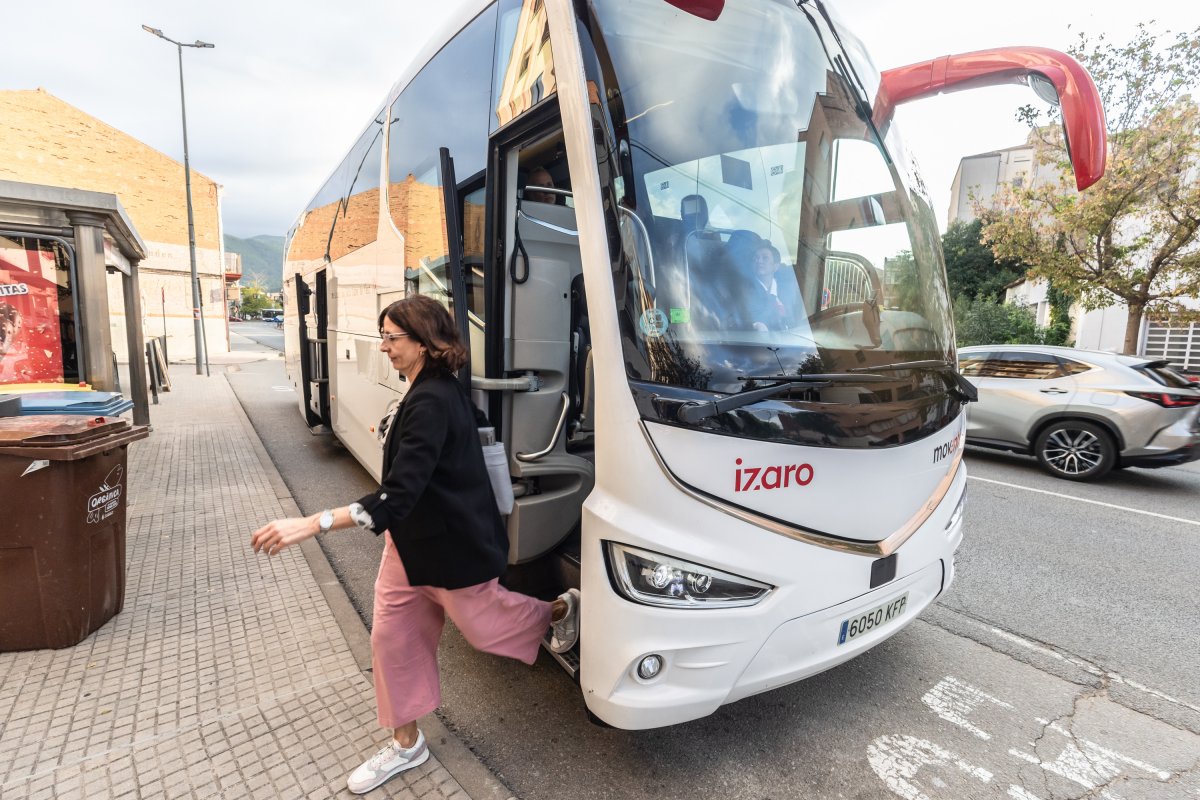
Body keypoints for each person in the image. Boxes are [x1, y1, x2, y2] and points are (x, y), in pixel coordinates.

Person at [251, 294, 580, 795]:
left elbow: (398, 494)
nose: (382, 346)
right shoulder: (423, 390)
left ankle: (558, 610)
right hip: (408, 549)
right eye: (382, 336)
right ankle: (407, 743)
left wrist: (310, 523)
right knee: (391, 641)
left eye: (391, 337)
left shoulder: (433, 400)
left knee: (486, 630)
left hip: (453, 551)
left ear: (425, 343)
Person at [742, 242, 803, 331]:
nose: (759, 261)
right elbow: (742, 319)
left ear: (776, 266)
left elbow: (796, 317)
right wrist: (755, 325)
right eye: (756, 258)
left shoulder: (788, 290)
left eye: (765, 258)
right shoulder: (745, 291)